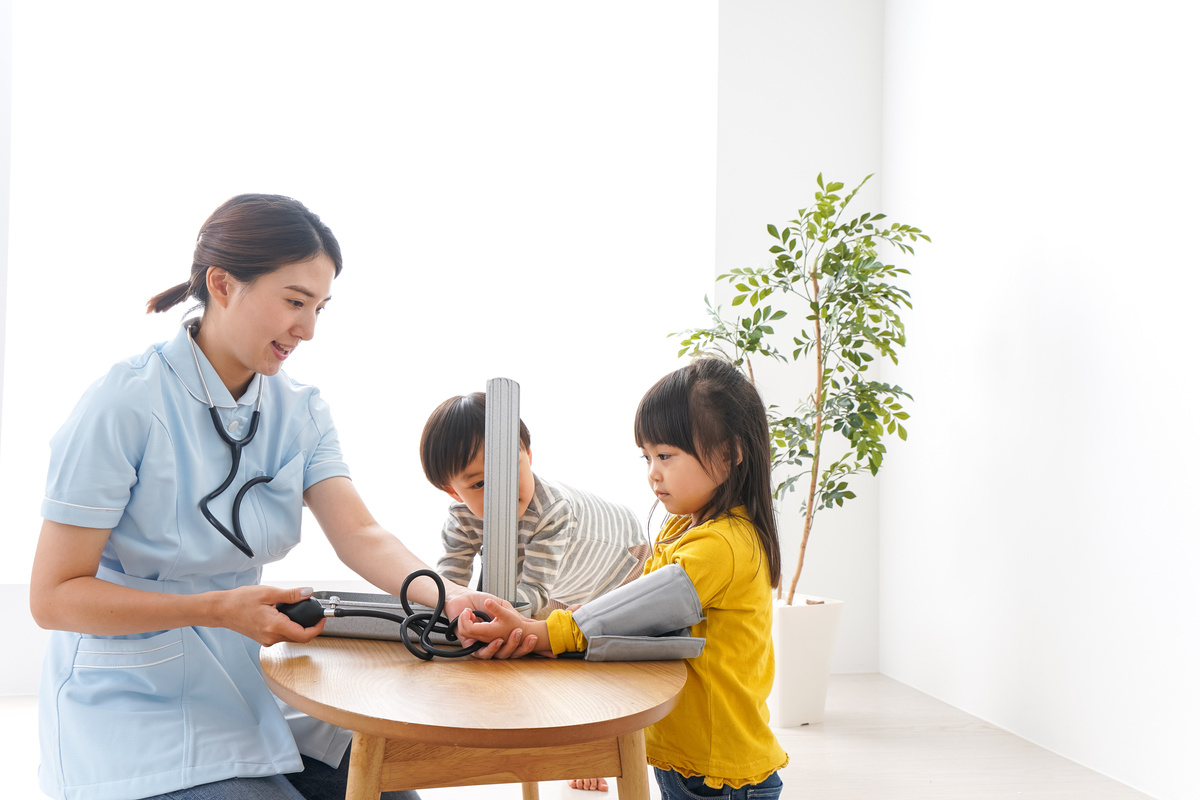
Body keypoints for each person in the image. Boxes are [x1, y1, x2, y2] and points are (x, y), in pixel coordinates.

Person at [28, 194, 535, 800]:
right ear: (222, 284)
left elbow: (360, 534)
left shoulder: (300, 409)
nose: (309, 329)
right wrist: (218, 608)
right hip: (132, 700)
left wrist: (452, 599)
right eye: (295, 302)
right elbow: (53, 597)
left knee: (390, 785)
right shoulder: (124, 403)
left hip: (247, 676)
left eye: (320, 308)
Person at [458, 358, 789, 800]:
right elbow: (644, 617)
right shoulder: (684, 527)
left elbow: (642, 607)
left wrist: (545, 633)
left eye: (666, 456)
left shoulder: (722, 546)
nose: (653, 472)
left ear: (730, 452)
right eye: (647, 456)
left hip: (720, 775)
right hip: (688, 758)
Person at [420, 392, 648, 619]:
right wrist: (444, 607)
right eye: (480, 483)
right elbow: (448, 587)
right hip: (563, 586)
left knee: (614, 631)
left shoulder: (551, 510)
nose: (503, 491)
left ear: (528, 455)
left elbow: (535, 591)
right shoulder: (461, 519)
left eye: (510, 468)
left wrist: (488, 612)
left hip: (626, 562)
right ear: (453, 491)